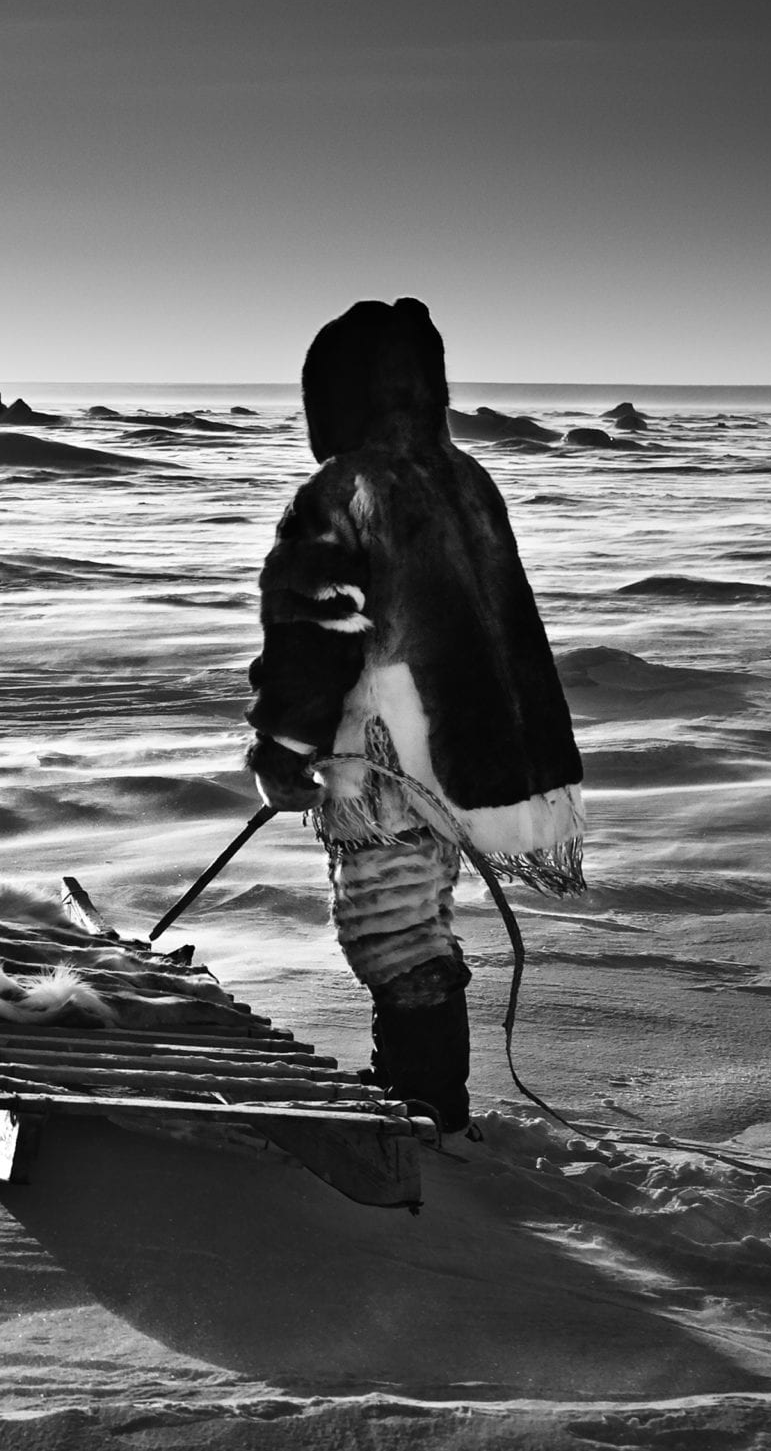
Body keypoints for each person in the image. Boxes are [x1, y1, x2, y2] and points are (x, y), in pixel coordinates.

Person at [244, 298, 584, 1133]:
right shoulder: (467, 480)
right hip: (468, 751)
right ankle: (416, 1092)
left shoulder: (343, 489)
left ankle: (425, 1111)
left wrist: (282, 748)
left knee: (391, 930)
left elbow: (315, 633)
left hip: (387, 754)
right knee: (419, 915)